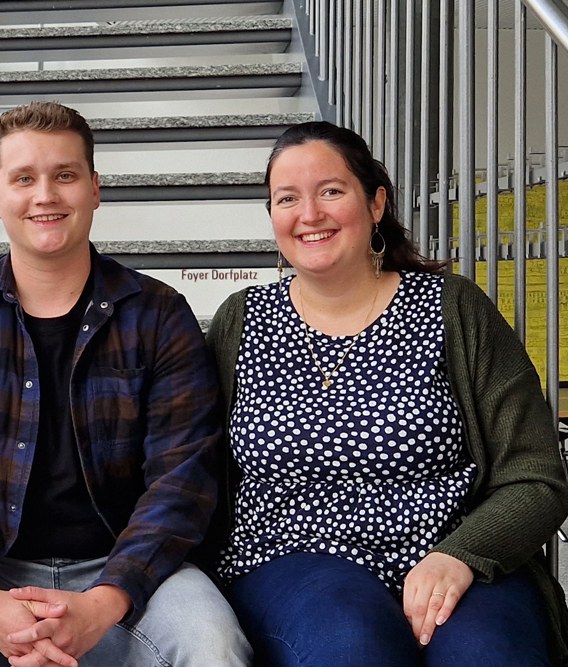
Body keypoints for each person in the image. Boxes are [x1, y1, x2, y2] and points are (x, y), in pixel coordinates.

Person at [0, 101, 250, 667]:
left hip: (127, 570)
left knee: (212, 643)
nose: (45, 195)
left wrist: (103, 603)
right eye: (24, 178)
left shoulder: (158, 313)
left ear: (94, 189)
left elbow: (183, 480)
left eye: (64, 175)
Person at [206, 120, 568, 666]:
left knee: (488, 656)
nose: (310, 214)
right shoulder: (242, 320)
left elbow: (535, 473)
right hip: (291, 559)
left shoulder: (452, 308)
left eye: (331, 191)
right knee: (350, 648)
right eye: (287, 198)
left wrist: (462, 554)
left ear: (376, 203)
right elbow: (189, 463)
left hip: (457, 556)